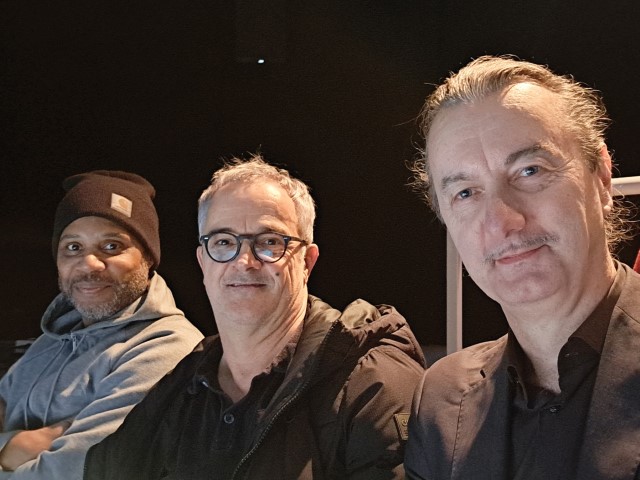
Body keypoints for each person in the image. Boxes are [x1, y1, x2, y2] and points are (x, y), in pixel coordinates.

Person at [84, 155, 426, 479]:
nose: (244, 261)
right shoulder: (185, 383)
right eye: (223, 242)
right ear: (203, 262)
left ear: (306, 262)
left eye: (269, 242)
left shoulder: (370, 382)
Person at [404, 55, 640, 479]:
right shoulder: (440, 403)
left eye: (529, 171)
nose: (501, 221)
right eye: (465, 193)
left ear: (602, 179)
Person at [0, 171, 203, 479]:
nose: (89, 264)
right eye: (73, 247)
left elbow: (73, 471)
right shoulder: (53, 340)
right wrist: (11, 446)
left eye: (111, 246)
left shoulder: (168, 347)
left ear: (148, 258)